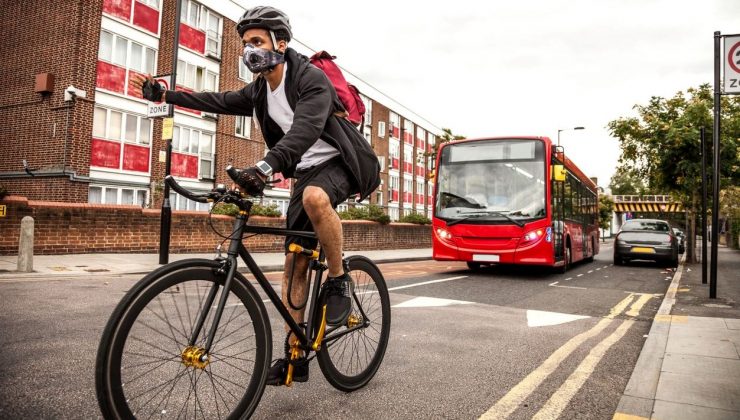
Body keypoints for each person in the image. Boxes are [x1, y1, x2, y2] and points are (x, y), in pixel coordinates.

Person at [132, 5, 380, 386]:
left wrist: (265, 167)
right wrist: (167, 95)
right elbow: (219, 101)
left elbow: (306, 131)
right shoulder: (260, 90)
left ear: (280, 43)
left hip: (340, 161)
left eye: (257, 42)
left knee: (315, 197)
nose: (250, 50)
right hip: (305, 169)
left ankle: (338, 278)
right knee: (295, 263)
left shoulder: (310, 79)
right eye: (246, 44)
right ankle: (295, 356)